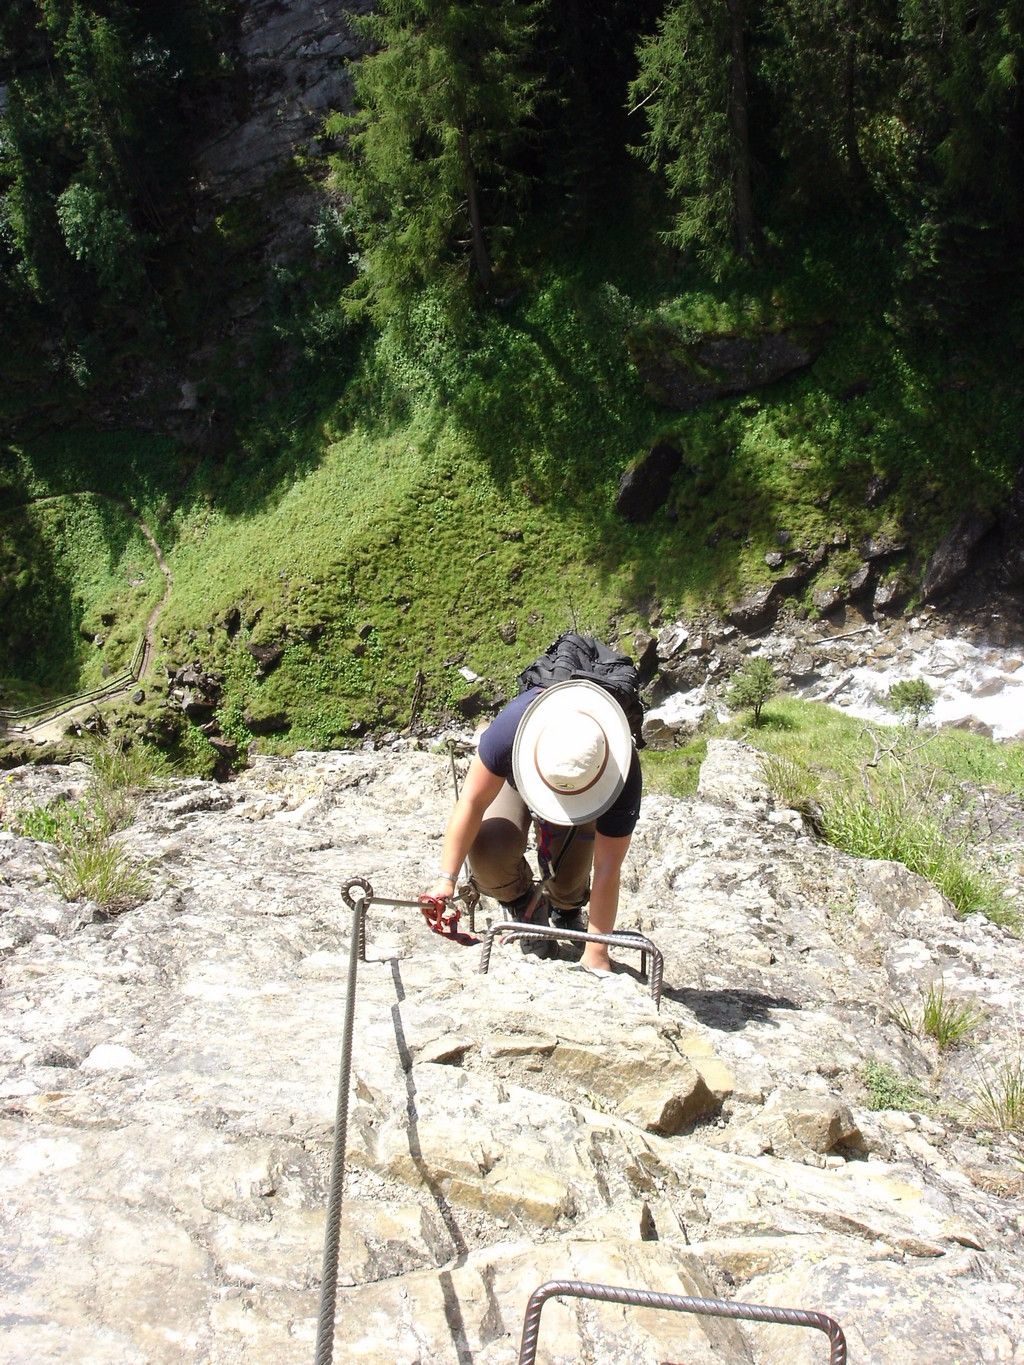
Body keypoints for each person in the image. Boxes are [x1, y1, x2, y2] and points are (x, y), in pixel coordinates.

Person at [425, 678, 642, 974]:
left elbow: (607, 867)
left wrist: (596, 952)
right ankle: (521, 902)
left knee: (569, 876)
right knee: (489, 849)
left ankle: (567, 908)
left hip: (584, 787)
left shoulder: (623, 771)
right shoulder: (511, 730)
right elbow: (472, 803)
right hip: (520, 777)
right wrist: (446, 879)